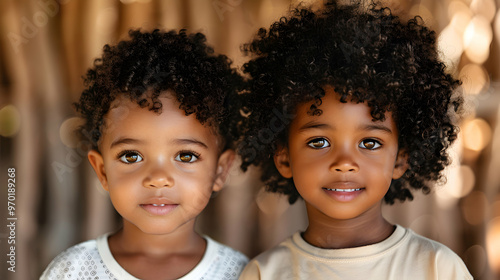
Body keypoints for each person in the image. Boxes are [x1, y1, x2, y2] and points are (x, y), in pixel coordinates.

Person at [237, 1, 472, 279]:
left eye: (369, 143)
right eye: (319, 142)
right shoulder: (265, 273)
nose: (345, 163)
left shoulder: (437, 268)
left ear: (400, 158)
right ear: (284, 157)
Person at [40, 29, 248, 280]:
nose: (158, 178)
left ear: (220, 170)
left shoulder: (241, 273)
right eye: (131, 156)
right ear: (102, 170)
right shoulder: (71, 272)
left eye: (185, 156)